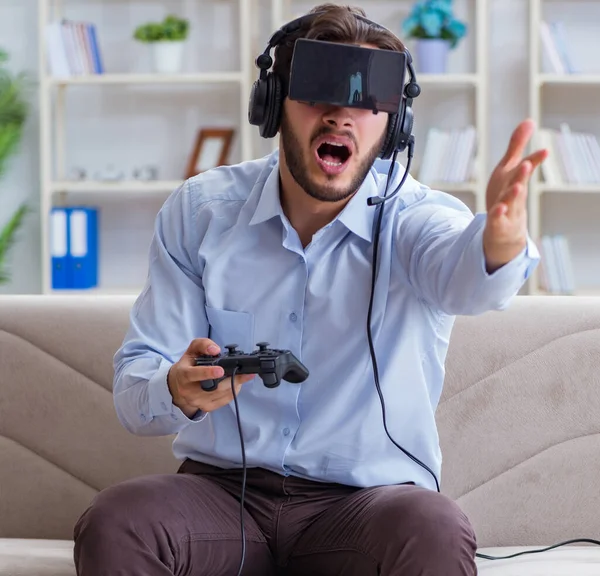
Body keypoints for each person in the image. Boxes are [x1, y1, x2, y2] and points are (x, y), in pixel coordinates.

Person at [73, 4, 547, 576]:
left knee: (434, 526)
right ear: (273, 107)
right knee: (118, 519)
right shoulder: (201, 213)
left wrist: (499, 239)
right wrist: (176, 389)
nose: (340, 116)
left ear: (394, 123)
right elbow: (135, 388)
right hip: (225, 497)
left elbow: (469, 280)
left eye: (366, 100)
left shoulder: (418, 218)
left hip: (364, 506)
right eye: (318, 92)